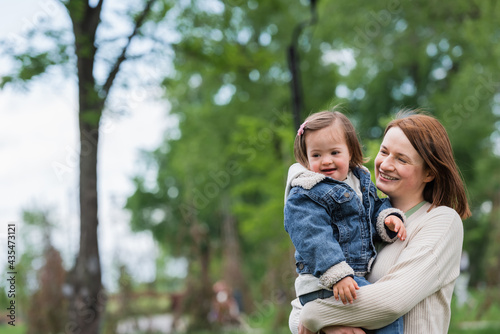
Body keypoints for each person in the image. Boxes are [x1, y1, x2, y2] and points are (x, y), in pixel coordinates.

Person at [288, 110, 471, 334]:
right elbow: (303, 302)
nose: (385, 165)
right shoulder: (362, 219)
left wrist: (314, 317)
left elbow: (391, 302)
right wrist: (326, 324)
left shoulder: (441, 221)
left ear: (429, 173)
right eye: (384, 152)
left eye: (401, 159)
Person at [284, 110, 407, 334]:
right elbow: (312, 237)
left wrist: (387, 218)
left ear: (350, 151)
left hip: (349, 280)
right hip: (324, 283)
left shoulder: (358, 180)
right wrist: (336, 274)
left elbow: (374, 206)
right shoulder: (305, 193)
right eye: (316, 155)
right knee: (386, 313)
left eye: (334, 152)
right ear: (306, 158)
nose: (326, 161)